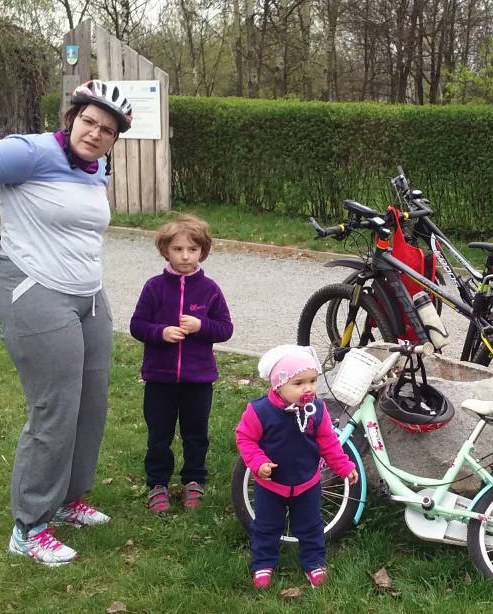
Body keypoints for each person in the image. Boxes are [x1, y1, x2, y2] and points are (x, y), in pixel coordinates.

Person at [0, 79, 134, 567]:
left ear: (114, 139)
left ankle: (68, 499)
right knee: (55, 408)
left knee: (90, 404)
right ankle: (29, 527)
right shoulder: (30, 152)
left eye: (107, 130)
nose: (95, 133)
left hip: (88, 296)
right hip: (35, 290)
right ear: (72, 118)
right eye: (89, 121)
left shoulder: (96, 167)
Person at [129, 214, 233, 513]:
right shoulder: (154, 287)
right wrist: (160, 333)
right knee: (159, 435)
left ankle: (194, 481)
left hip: (198, 380)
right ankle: (157, 484)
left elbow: (225, 329)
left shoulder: (210, 290)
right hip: (159, 379)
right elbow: (137, 325)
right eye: (178, 249)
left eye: (192, 249)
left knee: (196, 434)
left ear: (203, 251)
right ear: (165, 250)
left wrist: (201, 326)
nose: (185, 256)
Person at [235, 345, 359, 590]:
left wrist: (343, 466)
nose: (309, 388)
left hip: (307, 483)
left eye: (313, 381)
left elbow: (328, 442)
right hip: (271, 485)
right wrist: (258, 462)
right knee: (266, 526)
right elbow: (245, 438)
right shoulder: (260, 411)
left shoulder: (317, 410)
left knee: (311, 526)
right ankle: (263, 563)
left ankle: (314, 563)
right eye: (299, 383)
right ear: (278, 385)